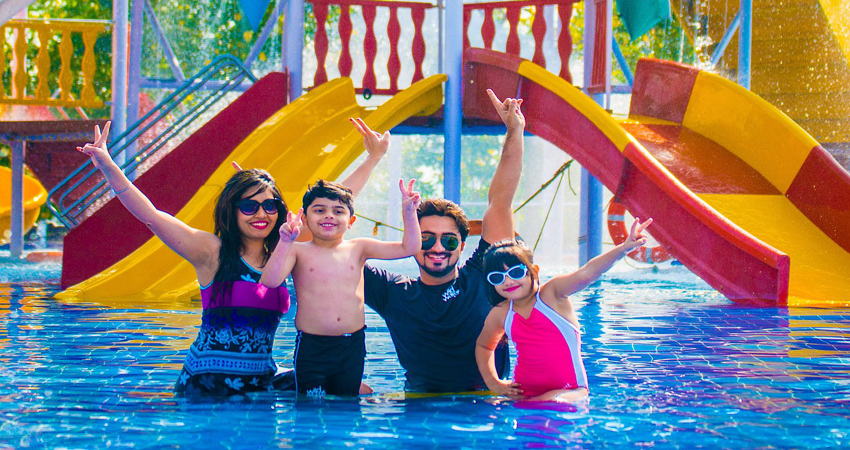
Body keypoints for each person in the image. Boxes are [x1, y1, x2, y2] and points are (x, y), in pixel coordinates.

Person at [76, 120, 387, 397]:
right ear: (232, 210)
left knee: (354, 388)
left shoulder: (286, 251)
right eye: (248, 206)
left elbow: (331, 206)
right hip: (208, 383)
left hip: (261, 379)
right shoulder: (211, 252)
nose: (260, 214)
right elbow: (151, 217)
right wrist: (107, 165)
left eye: (269, 205)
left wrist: (373, 158)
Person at [351, 89, 525, 393]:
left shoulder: (482, 275)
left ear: (462, 245)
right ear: (412, 238)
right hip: (418, 408)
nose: (437, 248)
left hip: (487, 406)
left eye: (449, 241)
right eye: (427, 238)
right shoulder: (392, 292)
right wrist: (372, 159)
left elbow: (500, 202)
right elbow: (323, 232)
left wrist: (514, 131)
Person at [259, 177, 421, 397]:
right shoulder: (297, 250)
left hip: (351, 345)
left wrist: (409, 212)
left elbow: (409, 248)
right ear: (304, 218)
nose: (329, 215)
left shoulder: (359, 248)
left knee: (347, 403)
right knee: (310, 404)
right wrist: (285, 242)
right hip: (312, 346)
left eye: (338, 211)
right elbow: (269, 281)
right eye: (320, 210)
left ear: (351, 220)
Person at [475, 218, 653, 403]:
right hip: (524, 393)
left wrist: (623, 248)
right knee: (487, 406)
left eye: (515, 273)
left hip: (569, 392)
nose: (508, 281)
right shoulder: (501, 313)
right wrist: (493, 382)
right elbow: (484, 346)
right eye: (497, 277)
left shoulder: (552, 294)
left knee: (553, 404)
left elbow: (587, 273)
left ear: (534, 271)